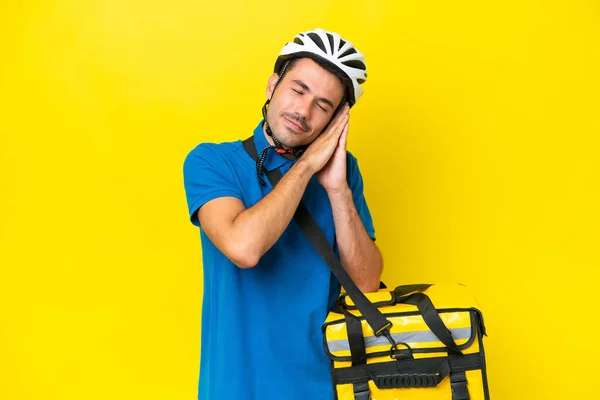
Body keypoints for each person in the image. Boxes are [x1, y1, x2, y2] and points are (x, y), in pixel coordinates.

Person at [183, 28, 383, 400]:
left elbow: (366, 284)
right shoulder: (212, 161)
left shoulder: (343, 172)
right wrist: (306, 167)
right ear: (272, 85)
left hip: (328, 388)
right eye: (298, 90)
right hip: (237, 387)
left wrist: (338, 189)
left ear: (335, 121)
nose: (303, 112)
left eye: (323, 105)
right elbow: (244, 248)